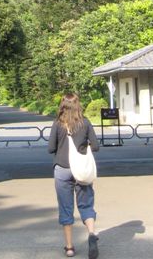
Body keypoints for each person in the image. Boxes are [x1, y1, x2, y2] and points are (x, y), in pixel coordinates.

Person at [48, 92, 100, 259]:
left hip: (62, 169)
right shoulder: (85, 123)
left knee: (66, 208)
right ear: (78, 105)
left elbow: (50, 148)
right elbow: (96, 146)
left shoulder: (57, 124)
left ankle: (69, 247)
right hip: (82, 170)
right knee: (86, 204)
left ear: (62, 105)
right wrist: (83, 147)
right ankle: (92, 234)